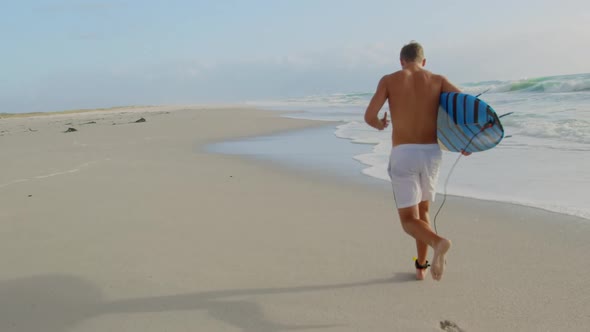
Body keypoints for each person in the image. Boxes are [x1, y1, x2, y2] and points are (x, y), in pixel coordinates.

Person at [363, 41, 463, 281]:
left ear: (401, 61)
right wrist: (465, 142)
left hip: (404, 153)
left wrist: (380, 124)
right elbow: (465, 108)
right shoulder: (438, 79)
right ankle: (421, 266)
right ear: (424, 61)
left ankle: (439, 243)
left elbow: (369, 116)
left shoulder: (389, 80)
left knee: (409, 220)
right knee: (423, 212)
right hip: (431, 153)